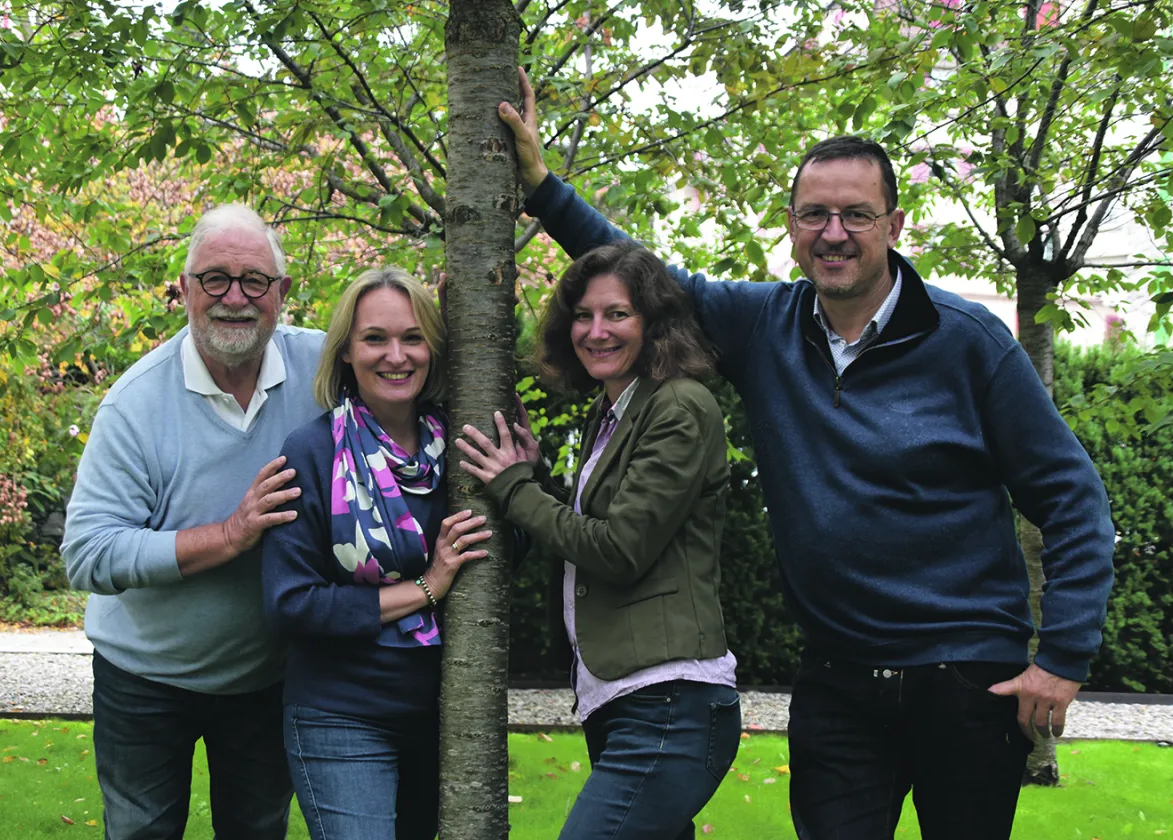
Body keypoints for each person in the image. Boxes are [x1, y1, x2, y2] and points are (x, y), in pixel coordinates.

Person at [497, 69, 1116, 840]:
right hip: (838, 680)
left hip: (967, 678)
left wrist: (1060, 658)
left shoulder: (970, 344)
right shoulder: (765, 326)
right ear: (791, 226)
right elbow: (640, 280)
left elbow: (1072, 497)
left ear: (895, 224)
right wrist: (544, 187)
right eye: (815, 214)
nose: (834, 233)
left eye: (856, 214)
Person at [455, 241, 741, 840]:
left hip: (669, 702)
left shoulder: (679, 406)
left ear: (654, 323)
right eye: (583, 315)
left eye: (617, 314)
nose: (596, 331)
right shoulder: (613, 410)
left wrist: (513, 489)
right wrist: (534, 481)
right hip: (620, 698)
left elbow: (618, 549)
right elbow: (598, 524)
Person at [62, 204, 325, 838]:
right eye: (215, 279)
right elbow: (88, 553)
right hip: (144, 678)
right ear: (183, 289)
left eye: (254, 280)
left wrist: (453, 320)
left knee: (258, 831)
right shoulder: (135, 403)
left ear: (282, 293)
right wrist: (229, 536)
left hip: (266, 676)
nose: (235, 297)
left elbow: (407, 365)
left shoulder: (324, 370)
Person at [261, 267, 492, 840]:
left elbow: (500, 558)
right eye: (375, 339)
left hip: (448, 714)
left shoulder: (460, 449)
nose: (397, 355)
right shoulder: (312, 453)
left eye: (413, 337)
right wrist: (427, 586)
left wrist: (519, 481)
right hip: (340, 713)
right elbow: (290, 603)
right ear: (345, 353)